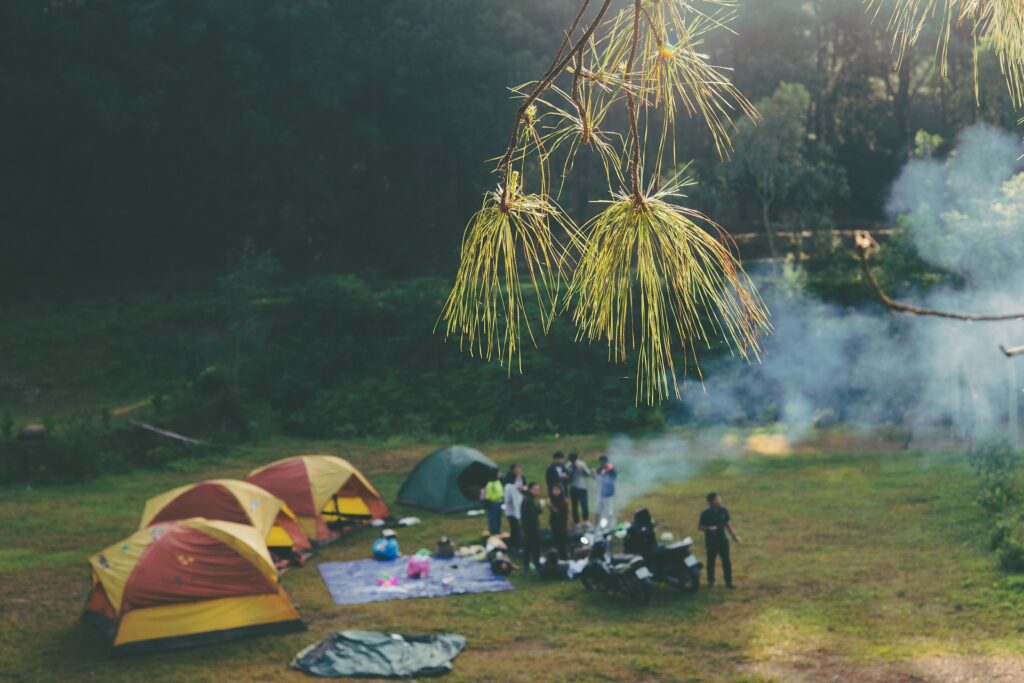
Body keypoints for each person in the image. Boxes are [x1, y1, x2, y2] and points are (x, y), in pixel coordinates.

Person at [698, 491, 741, 588]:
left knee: (726, 561)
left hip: (722, 540)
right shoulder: (705, 513)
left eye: (719, 499)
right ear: (711, 501)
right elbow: (700, 527)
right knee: (711, 561)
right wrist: (709, 528)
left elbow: (727, 524)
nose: (719, 501)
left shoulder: (723, 510)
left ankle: (728, 581)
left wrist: (734, 536)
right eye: (717, 499)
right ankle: (711, 581)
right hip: (711, 541)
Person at [520, 482, 543, 570]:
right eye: (536, 489)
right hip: (531, 527)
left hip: (528, 527)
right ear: (530, 489)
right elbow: (534, 513)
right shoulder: (528, 500)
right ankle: (536, 563)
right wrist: (541, 507)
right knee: (534, 546)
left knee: (528, 546)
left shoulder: (528, 498)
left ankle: (527, 564)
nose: (538, 491)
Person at [567, 451, 593, 527]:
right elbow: (567, 478)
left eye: (574, 460)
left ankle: (586, 520)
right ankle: (576, 522)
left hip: (582, 487)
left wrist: (583, 470)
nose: (573, 462)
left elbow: (588, 474)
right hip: (573, 488)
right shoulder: (568, 465)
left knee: (584, 505)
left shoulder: (582, 463)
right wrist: (572, 471)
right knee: (574, 506)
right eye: (572, 461)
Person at [503, 464, 525, 551]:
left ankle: (512, 544)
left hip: (510, 512)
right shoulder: (510, 487)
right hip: (512, 512)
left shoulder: (509, 487)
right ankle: (517, 546)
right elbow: (509, 500)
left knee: (514, 529)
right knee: (516, 529)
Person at [548, 485, 570, 560]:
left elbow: (560, 513)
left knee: (562, 543)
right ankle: (557, 557)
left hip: (561, 524)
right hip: (554, 523)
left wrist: (551, 507)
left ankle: (564, 558)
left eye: (557, 490)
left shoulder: (563, 501)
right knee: (556, 542)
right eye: (554, 490)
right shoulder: (552, 499)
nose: (555, 492)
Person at [595, 454, 617, 526]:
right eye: (601, 462)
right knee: (598, 509)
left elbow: (613, 479)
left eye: (603, 462)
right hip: (600, 492)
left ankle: (610, 525)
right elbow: (597, 478)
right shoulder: (599, 469)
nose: (601, 464)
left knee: (609, 510)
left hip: (608, 492)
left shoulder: (611, 469)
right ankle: (597, 525)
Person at [483, 468, 504, 536]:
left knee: (498, 517)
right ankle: (493, 531)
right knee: (493, 518)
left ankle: (497, 530)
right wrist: (498, 497)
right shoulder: (490, 483)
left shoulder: (498, 482)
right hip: (493, 502)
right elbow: (488, 495)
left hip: (499, 502)